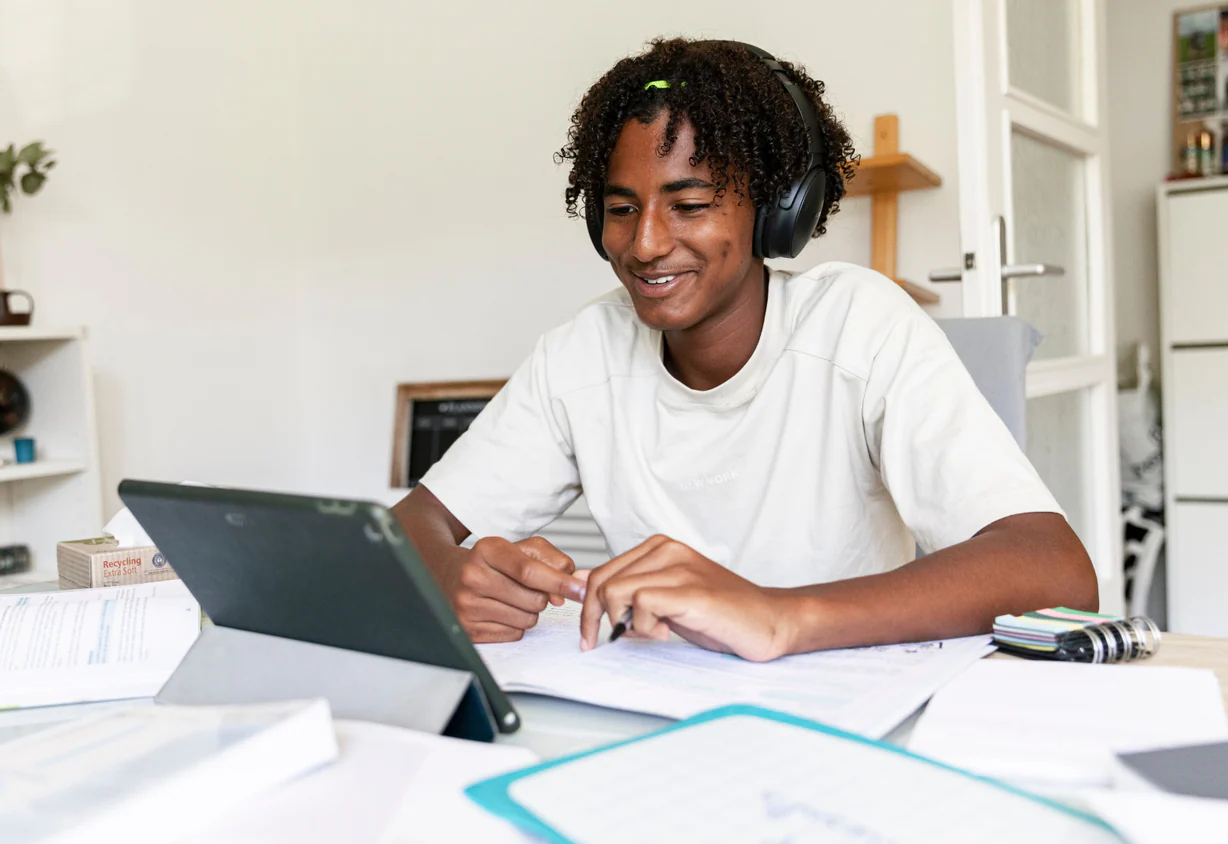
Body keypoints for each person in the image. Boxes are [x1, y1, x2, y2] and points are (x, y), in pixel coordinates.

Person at [390, 38, 1097, 662]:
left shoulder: (858, 325)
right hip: (661, 709)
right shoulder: (582, 355)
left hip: (844, 711)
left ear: (778, 209)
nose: (645, 244)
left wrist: (777, 613)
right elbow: (412, 523)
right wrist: (449, 574)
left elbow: (1054, 568)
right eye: (621, 208)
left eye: (689, 206)